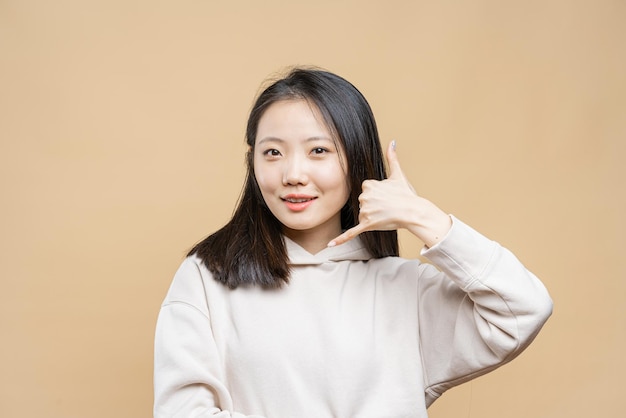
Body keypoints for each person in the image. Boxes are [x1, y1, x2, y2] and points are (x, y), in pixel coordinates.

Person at [153, 67, 553, 418]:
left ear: (357, 158)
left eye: (319, 151)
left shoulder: (406, 289)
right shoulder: (207, 277)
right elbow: (180, 412)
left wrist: (420, 214)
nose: (293, 173)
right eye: (272, 152)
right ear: (252, 162)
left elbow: (523, 309)